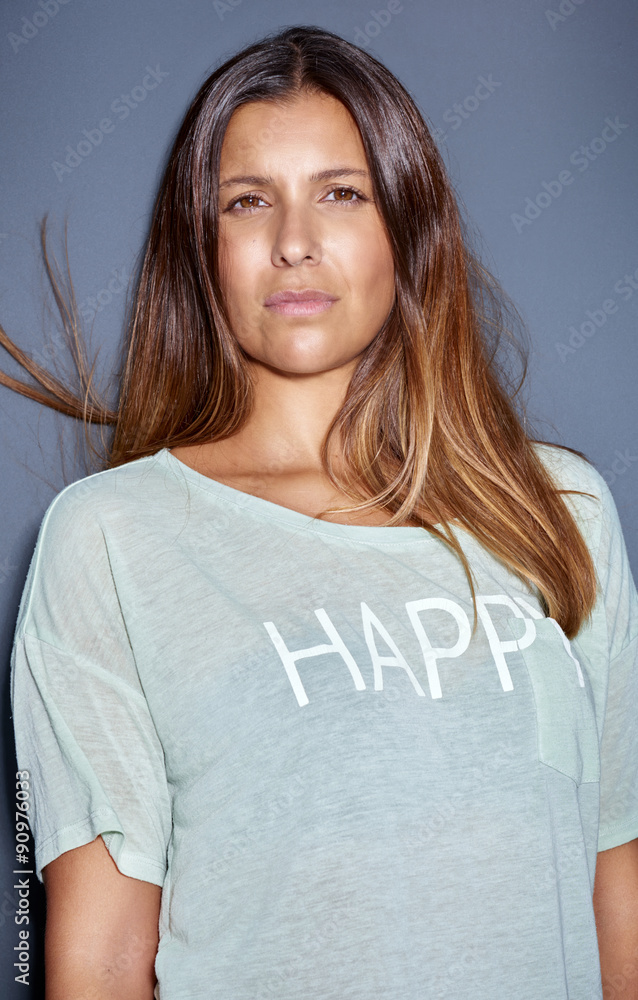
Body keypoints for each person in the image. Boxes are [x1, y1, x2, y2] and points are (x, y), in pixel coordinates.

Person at [4, 23, 638, 1000]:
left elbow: (614, 882)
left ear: (407, 225)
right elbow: (101, 957)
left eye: (340, 193)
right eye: (247, 202)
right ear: (201, 246)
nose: (293, 241)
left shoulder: (557, 509)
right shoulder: (109, 540)